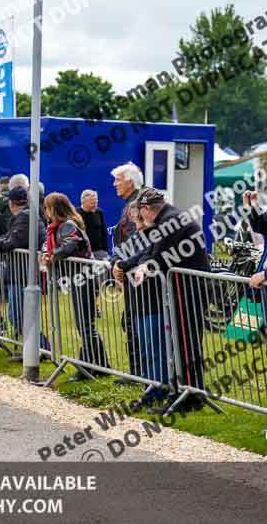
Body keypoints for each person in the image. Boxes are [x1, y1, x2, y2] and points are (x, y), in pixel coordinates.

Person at [130, 188, 210, 413]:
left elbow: (159, 258)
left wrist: (145, 267)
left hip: (189, 288)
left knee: (186, 343)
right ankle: (184, 391)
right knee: (181, 343)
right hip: (184, 287)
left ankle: (191, 395)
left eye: (141, 211)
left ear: (146, 210)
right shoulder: (170, 217)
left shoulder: (169, 221)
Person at [41, 192, 109, 381]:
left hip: (83, 277)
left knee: (85, 325)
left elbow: (70, 244)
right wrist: (47, 251)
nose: (45, 212)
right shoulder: (57, 226)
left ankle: (88, 367)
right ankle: (101, 365)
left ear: (54, 209)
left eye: (47, 208)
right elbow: (49, 244)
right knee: (85, 325)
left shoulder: (68, 225)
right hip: (77, 278)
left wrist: (53, 255)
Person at [0, 186, 46, 332]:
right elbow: (10, 237)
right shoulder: (25, 214)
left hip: (21, 269)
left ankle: (41, 348)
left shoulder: (25, 215)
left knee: (16, 316)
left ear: (11, 203)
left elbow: (15, 241)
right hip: (15, 266)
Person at [109, 162, 145, 382]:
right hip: (131, 268)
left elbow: (135, 240)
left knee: (133, 321)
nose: (114, 184)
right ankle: (138, 370)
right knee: (130, 321)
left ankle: (138, 372)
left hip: (136, 272)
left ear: (130, 182)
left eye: (118, 180)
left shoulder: (136, 204)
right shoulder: (132, 202)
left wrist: (121, 263)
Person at [78, 189, 109, 260]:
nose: (95, 204)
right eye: (92, 203)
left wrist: (105, 250)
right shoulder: (76, 214)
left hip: (100, 252)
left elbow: (103, 233)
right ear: (83, 201)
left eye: (96, 201)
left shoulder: (99, 212)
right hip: (84, 254)